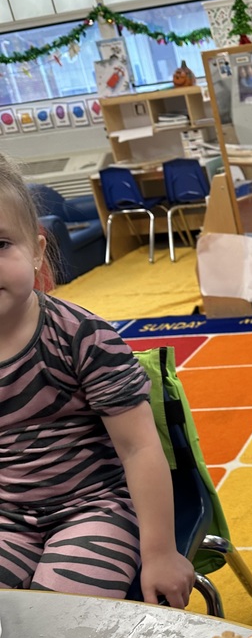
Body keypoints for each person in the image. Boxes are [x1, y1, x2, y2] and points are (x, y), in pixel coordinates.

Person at [0, 153, 194, 607]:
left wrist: (160, 551)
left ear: (37, 252)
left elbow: (139, 447)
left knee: (59, 622)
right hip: (7, 515)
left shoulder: (80, 335)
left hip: (95, 506)